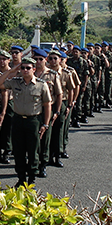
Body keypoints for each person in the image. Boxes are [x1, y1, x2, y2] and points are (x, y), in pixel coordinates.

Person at [0, 57, 52, 188]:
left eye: (28, 68)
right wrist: (11, 71)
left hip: (33, 121)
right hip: (18, 120)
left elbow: (47, 104)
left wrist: (45, 124)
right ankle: (21, 179)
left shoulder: (41, 84)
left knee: (33, 151)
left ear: (34, 69)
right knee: (19, 151)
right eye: (22, 67)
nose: (25, 70)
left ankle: (31, 180)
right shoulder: (15, 82)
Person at [32, 49, 62, 178]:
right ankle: (33, 162)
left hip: (46, 109)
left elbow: (59, 94)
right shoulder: (29, 72)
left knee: (45, 138)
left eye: (41, 59)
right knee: (32, 138)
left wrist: (57, 111)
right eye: (36, 59)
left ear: (46, 59)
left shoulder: (52, 75)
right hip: (32, 109)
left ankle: (42, 164)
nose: (38, 62)